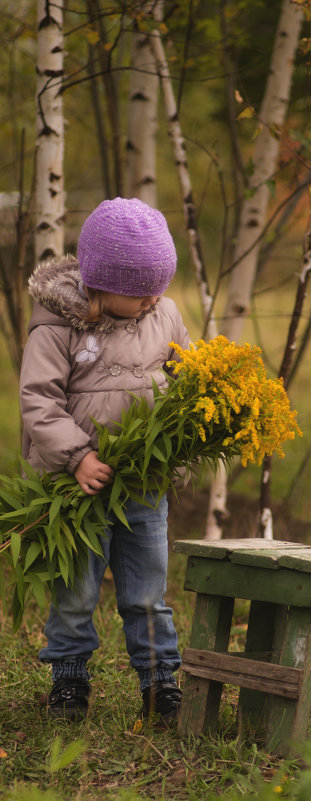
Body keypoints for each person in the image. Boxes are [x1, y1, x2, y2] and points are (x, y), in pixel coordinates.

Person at [19, 197, 190, 722]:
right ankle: (69, 678)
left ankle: (160, 680)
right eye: (139, 291)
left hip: (143, 483)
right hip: (82, 489)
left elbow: (187, 382)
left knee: (147, 590)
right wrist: (76, 458)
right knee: (76, 589)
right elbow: (39, 400)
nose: (153, 299)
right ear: (99, 282)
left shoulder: (164, 315)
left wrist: (182, 449)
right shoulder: (58, 327)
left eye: (159, 287)